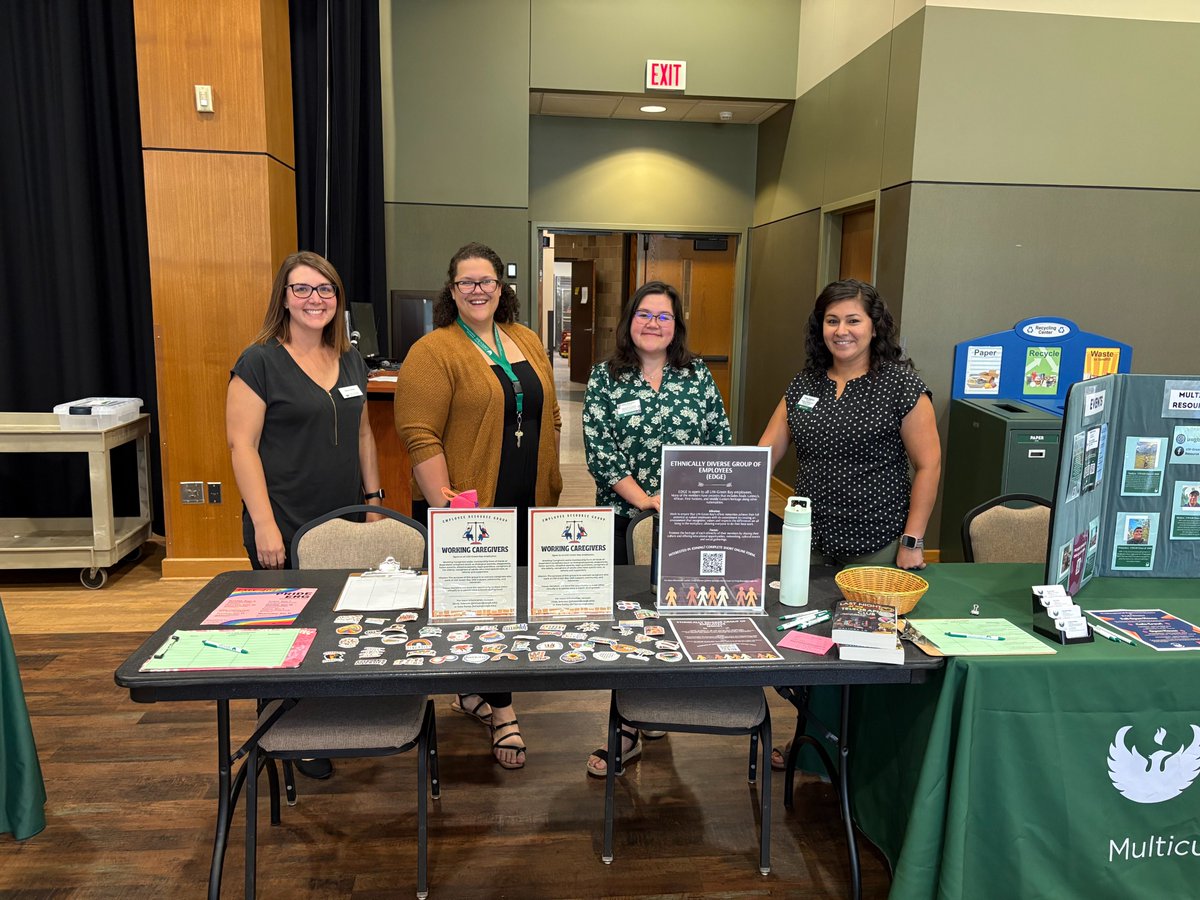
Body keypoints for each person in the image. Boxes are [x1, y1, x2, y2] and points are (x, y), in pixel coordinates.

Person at [757, 278, 940, 770]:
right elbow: (763, 456)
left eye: (853, 320)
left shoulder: (900, 386)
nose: (842, 330)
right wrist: (718, 492)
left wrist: (912, 541)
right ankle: (812, 748)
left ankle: (862, 761)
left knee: (867, 651)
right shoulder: (804, 385)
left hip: (878, 542)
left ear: (874, 326)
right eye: (832, 320)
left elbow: (928, 465)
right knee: (808, 646)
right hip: (810, 541)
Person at [395, 242, 562, 770]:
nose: (477, 290)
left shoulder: (525, 338)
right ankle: (503, 711)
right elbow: (419, 434)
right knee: (484, 602)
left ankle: (473, 689)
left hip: (529, 495)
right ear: (451, 290)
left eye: (486, 280)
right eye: (465, 282)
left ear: (500, 287)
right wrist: (450, 513)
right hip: (472, 508)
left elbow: (551, 413)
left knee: (511, 602)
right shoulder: (434, 350)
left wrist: (550, 473)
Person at [226, 250, 384, 780]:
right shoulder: (259, 362)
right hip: (284, 519)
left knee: (334, 621)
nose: (315, 299)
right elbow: (242, 447)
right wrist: (265, 525)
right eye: (302, 289)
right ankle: (281, 728)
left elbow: (364, 432)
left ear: (338, 299)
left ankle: (326, 716)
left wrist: (374, 501)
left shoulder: (351, 359)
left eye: (325, 289)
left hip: (341, 521)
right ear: (284, 298)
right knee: (284, 629)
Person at [581, 280, 732, 777]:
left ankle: (654, 704)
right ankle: (625, 728)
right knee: (628, 621)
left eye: (664, 316)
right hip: (625, 520)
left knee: (673, 616)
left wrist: (699, 501)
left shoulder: (697, 375)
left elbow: (719, 441)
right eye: (644, 314)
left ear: (676, 326)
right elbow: (600, 451)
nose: (653, 323)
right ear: (630, 321)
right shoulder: (605, 377)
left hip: (689, 522)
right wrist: (646, 500)